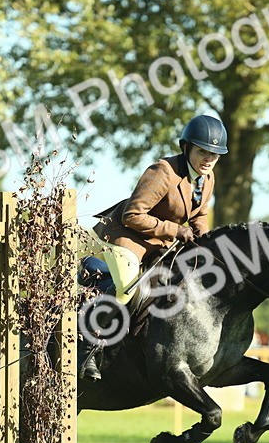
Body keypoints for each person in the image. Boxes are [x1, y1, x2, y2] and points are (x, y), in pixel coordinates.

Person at [87, 114, 224, 379]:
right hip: (124, 237)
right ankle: (87, 348)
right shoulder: (163, 171)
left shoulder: (207, 178)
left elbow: (199, 215)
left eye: (214, 155)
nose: (209, 159)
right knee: (128, 289)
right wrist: (175, 230)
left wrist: (207, 242)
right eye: (203, 151)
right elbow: (132, 215)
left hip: (159, 243)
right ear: (187, 148)